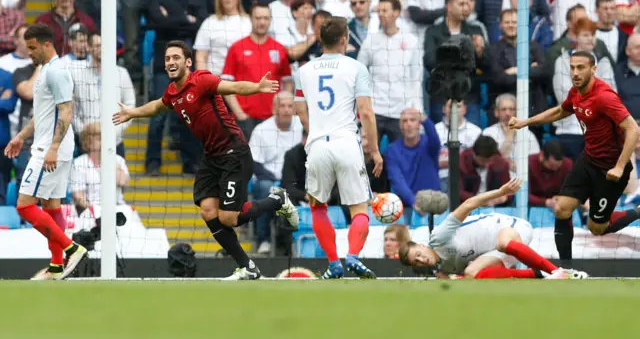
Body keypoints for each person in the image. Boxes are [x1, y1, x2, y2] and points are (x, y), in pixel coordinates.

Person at [112, 40, 299, 280]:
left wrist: (257, 87)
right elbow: (158, 106)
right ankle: (248, 267)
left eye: (176, 58)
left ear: (188, 62)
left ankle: (277, 199)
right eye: (168, 58)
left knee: (228, 218)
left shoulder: (201, 80)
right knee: (208, 211)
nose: (171, 62)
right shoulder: (172, 92)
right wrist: (131, 112)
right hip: (211, 157)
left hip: (233, 152)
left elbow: (232, 87)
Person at [509, 51, 640, 260]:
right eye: (572, 68)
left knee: (597, 228)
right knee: (561, 208)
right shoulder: (576, 92)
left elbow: (633, 129)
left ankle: (637, 211)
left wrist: (620, 166)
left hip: (610, 169)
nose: (575, 73)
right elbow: (560, 111)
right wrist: (526, 122)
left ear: (593, 69)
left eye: (581, 68)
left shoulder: (604, 96)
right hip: (588, 161)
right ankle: (564, 269)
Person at [294, 16, 384, 279]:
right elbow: (366, 112)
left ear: (321, 39)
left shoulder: (305, 70)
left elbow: (301, 111)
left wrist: (316, 133)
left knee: (317, 206)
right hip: (347, 142)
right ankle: (353, 255)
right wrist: (375, 151)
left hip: (318, 144)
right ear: (344, 39)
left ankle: (333, 263)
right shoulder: (356, 68)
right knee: (359, 208)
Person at [3, 24, 87, 280]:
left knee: (24, 206)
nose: (29, 53)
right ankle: (56, 266)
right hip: (48, 145)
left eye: (32, 48)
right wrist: (20, 136)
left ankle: (72, 248)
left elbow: (65, 111)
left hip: (50, 149)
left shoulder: (57, 71)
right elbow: (43, 115)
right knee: (52, 207)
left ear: (46, 44)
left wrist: (52, 148)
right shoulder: (47, 70)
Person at [398, 178, 588, 280]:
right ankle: (538, 274)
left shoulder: (438, 237)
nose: (422, 259)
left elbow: (468, 204)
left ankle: (558, 271)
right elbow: (458, 275)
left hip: (509, 228)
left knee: (503, 243)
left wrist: (500, 192)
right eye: (418, 261)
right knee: (471, 274)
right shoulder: (444, 267)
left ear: (422, 246)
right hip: (496, 252)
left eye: (418, 254)